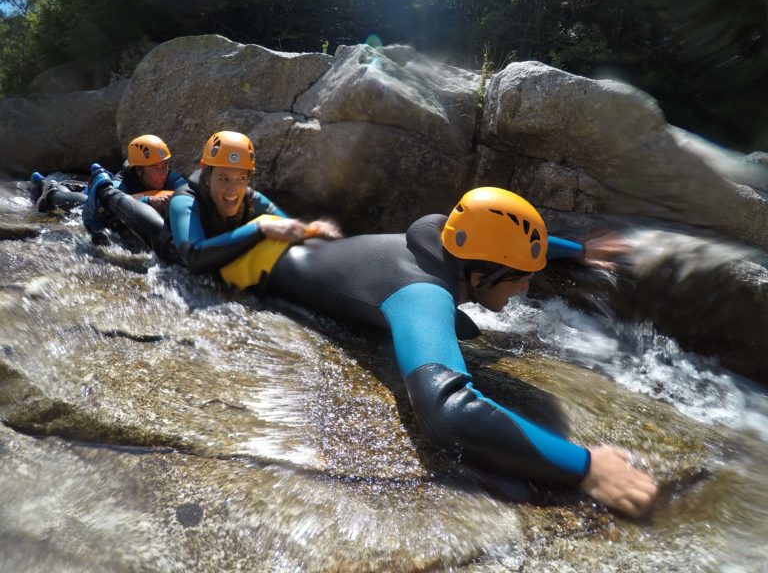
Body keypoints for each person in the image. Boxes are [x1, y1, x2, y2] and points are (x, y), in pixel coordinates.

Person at [237, 186, 657, 518]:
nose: (526, 288)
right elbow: (448, 410)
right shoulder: (420, 294)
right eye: (518, 279)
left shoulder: (450, 235)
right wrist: (586, 467)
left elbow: (513, 242)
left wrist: (581, 251)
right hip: (254, 262)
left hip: (304, 245)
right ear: (477, 274)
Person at [169, 130, 341, 279]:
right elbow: (193, 258)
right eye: (224, 178)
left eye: (241, 178)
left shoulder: (251, 198)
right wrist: (260, 229)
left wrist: (310, 231)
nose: (233, 191)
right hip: (174, 254)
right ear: (207, 178)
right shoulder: (185, 200)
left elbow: (288, 226)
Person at [85, 134, 189, 258]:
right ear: (139, 170)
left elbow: (188, 193)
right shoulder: (122, 181)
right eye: (155, 168)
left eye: (165, 165)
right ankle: (55, 193)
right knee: (81, 200)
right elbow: (111, 207)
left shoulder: (172, 178)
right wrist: (148, 201)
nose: (163, 173)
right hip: (91, 203)